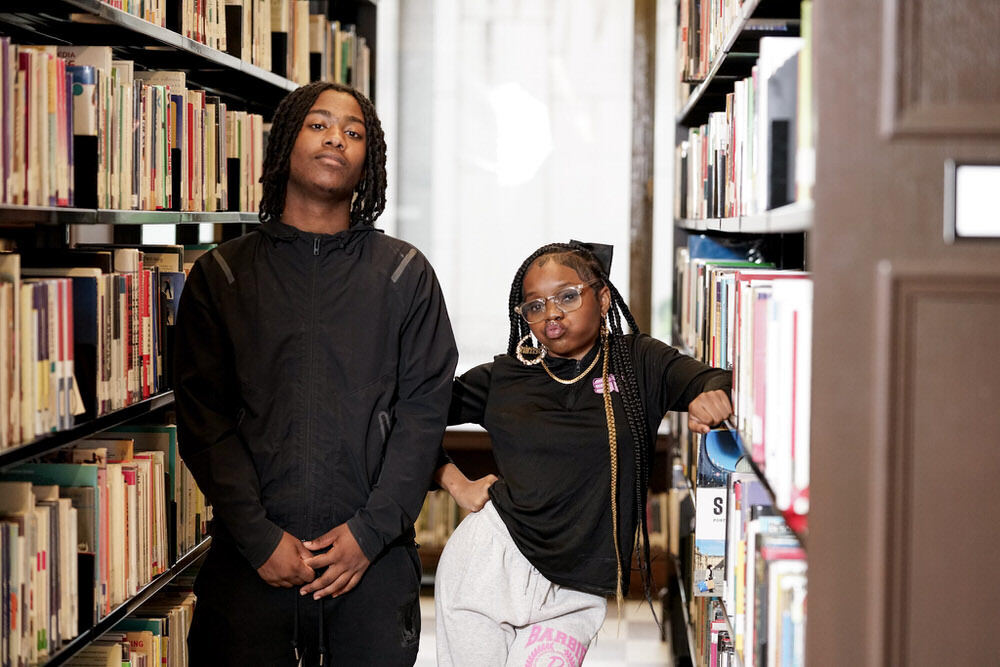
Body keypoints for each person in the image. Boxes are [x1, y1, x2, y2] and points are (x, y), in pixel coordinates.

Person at [173, 81, 458, 666]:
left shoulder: (405, 274)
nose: (337, 139)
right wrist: (258, 537)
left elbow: (423, 416)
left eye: (354, 132)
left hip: (372, 568)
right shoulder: (222, 275)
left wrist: (369, 534)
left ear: (368, 160)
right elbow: (204, 421)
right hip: (251, 564)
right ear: (286, 145)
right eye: (320, 124)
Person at [433, 242, 732, 666]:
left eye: (567, 296)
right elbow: (408, 418)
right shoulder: (505, 376)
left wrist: (712, 396)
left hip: (574, 593)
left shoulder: (638, 363)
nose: (551, 313)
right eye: (534, 306)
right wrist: (454, 482)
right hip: (486, 568)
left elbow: (715, 378)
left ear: (603, 296)